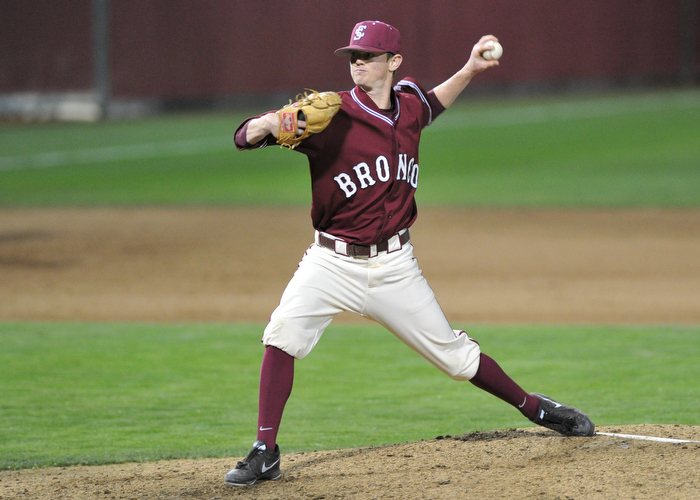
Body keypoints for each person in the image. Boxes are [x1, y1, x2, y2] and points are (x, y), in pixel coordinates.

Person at [226, 20, 594, 487]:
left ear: (393, 62)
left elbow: (433, 104)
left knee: (456, 360)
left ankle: (537, 407)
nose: (358, 63)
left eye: (368, 56)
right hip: (330, 262)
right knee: (282, 334)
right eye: (353, 57)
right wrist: (262, 124)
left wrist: (469, 69)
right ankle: (265, 451)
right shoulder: (330, 114)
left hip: (394, 266)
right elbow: (244, 137)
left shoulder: (410, 103)